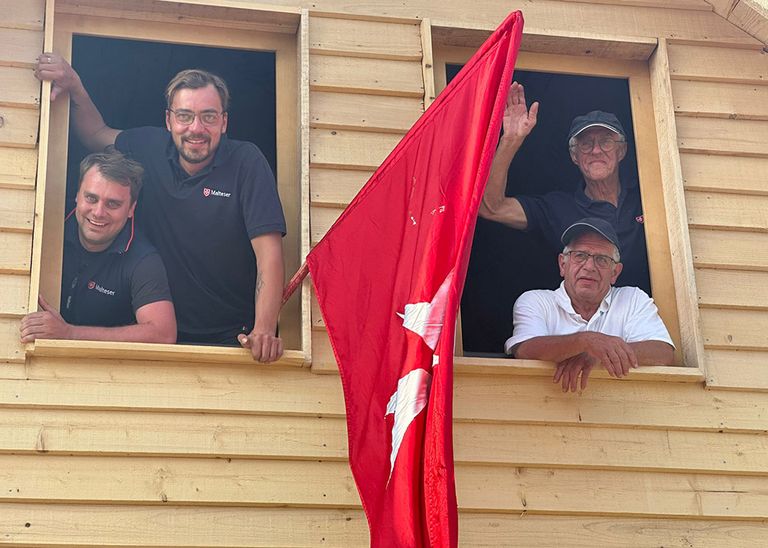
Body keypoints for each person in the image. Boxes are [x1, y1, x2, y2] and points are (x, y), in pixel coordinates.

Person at [35, 53, 286, 362]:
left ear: (223, 122)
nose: (196, 127)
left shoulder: (247, 162)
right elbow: (95, 134)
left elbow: (269, 254)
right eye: (185, 115)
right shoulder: (149, 147)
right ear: (169, 120)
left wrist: (264, 328)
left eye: (208, 116)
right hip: (156, 333)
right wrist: (75, 85)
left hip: (233, 336)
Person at [478, 81, 650, 294]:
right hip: (580, 318)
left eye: (606, 142)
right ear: (574, 156)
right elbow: (491, 208)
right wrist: (511, 139)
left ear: (621, 151)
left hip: (644, 319)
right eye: (586, 144)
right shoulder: (558, 208)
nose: (596, 150)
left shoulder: (648, 196)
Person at [20, 151, 176, 344]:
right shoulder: (44, 225)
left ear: (131, 209)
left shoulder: (143, 259)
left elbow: (163, 333)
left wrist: (70, 333)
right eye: (91, 198)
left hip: (104, 369)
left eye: (113, 203)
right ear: (77, 195)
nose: (99, 212)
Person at [504, 217, 674, 393]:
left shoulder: (632, 298)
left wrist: (597, 355)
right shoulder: (536, 300)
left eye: (602, 259)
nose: (590, 266)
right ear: (563, 264)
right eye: (580, 256)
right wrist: (585, 341)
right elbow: (525, 349)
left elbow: (663, 352)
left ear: (615, 272)